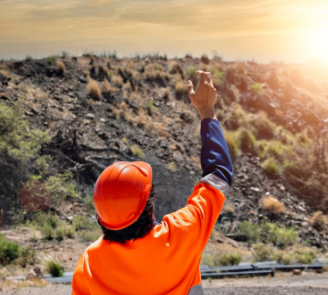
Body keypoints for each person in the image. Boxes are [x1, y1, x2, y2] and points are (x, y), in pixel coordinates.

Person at [72, 70, 233, 295]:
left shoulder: (89, 264)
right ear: (150, 203)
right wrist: (207, 112)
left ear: (102, 216)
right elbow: (219, 175)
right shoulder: (182, 233)